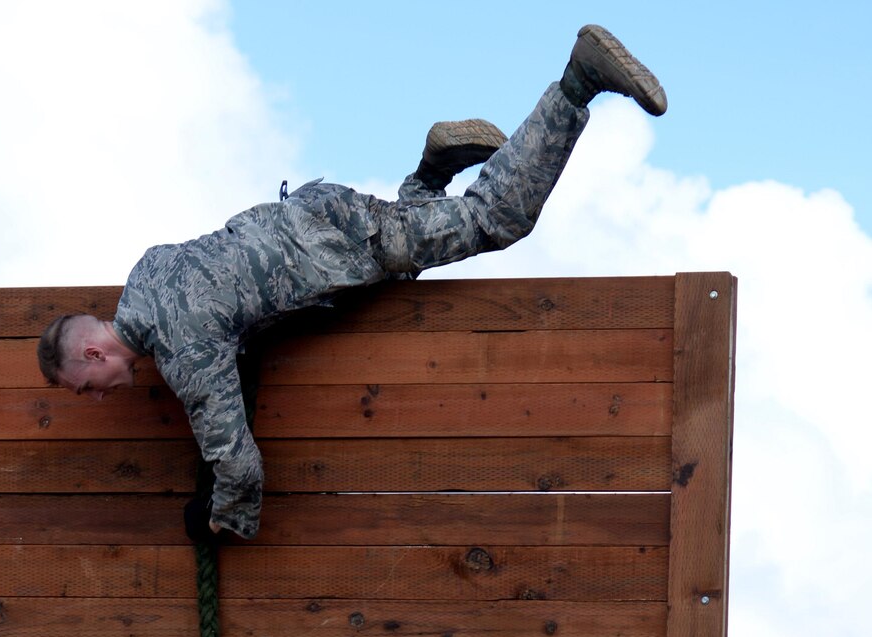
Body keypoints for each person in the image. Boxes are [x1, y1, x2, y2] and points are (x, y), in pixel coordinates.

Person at [36, 23, 666, 541]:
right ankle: (431, 168)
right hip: (314, 218)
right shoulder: (143, 274)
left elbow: (239, 465)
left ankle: (577, 82)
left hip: (339, 247)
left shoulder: (184, 353)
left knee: (496, 219)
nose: (96, 398)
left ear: (94, 352)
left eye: (85, 388)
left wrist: (221, 520)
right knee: (402, 261)